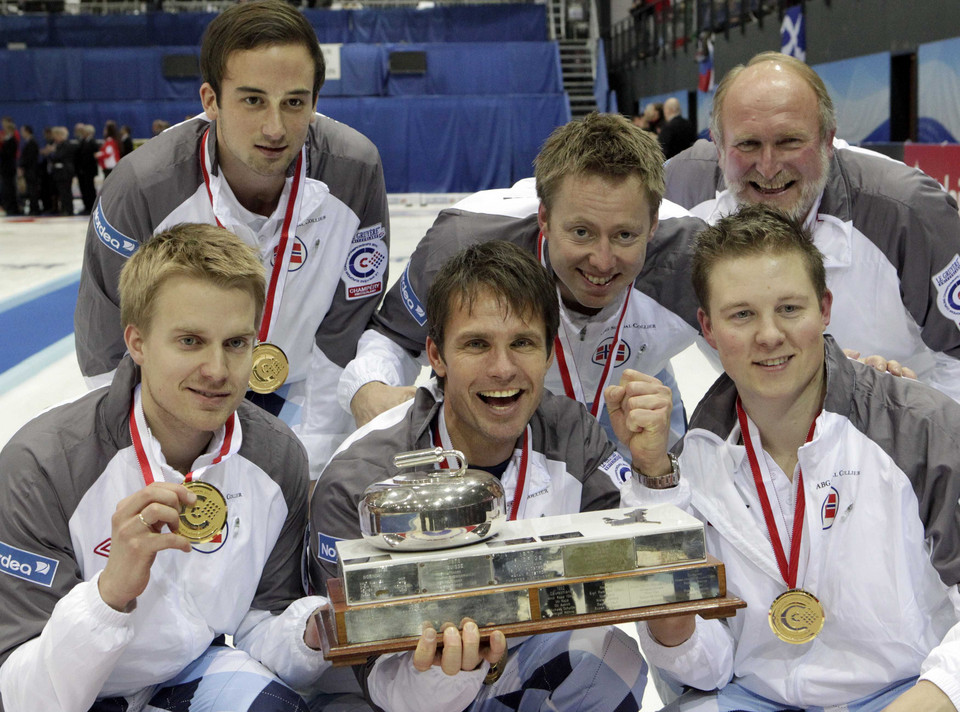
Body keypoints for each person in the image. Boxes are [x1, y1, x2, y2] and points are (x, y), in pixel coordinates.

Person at [631, 204, 960, 712]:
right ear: (708, 328)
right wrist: (672, 624)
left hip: (908, 691)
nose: (769, 335)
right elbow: (708, 666)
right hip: (754, 698)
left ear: (824, 308)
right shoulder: (695, 459)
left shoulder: (922, 429)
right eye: (742, 314)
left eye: (790, 309)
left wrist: (934, 696)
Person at [309, 240, 662, 712]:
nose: (502, 369)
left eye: (522, 342)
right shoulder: (360, 479)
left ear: (549, 352)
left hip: (509, 668)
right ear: (435, 355)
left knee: (606, 660)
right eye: (477, 344)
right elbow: (361, 669)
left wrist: (652, 469)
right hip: (389, 692)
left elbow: (640, 571)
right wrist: (446, 673)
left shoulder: (572, 435)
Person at [0, 223, 331, 711]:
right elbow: (22, 698)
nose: (218, 370)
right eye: (191, 341)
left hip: (186, 672)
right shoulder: (44, 465)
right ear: (136, 343)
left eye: (236, 343)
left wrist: (314, 633)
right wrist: (108, 596)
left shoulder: (276, 456)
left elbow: (261, 620)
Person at [74, 0, 389, 475]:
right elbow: (107, 345)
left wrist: (312, 466)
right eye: (252, 99)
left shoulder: (355, 171)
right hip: (180, 404)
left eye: (294, 102)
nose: (275, 128)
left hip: (308, 394)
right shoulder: (141, 188)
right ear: (210, 100)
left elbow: (346, 324)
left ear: (315, 102)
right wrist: (142, 462)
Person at [339, 111, 705, 453]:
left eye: (625, 235)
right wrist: (370, 386)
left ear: (653, 224)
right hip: (506, 411)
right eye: (581, 232)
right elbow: (394, 339)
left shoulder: (696, 257)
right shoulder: (461, 245)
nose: (602, 261)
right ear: (543, 217)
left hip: (635, 404)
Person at [663, 50, 960, 402]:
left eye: (789, 141)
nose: (769, 167)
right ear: (718, 144)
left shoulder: (910, 214)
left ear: (828, 140)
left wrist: (892, 420)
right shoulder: (678, 192)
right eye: (748, 144)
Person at [74, 122, 99, 215]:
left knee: (90, 189)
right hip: (83, 170)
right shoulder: (83, 141)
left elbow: (92, 157)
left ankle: (91, 207)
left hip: (89, 170)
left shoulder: (92, 142)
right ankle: (86, 206)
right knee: (84, 188)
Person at [17, 124, 41, 216]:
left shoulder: (32, 142)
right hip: (29, 170)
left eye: (22, 131)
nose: (21, 133)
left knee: (33, 190)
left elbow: (29, 158)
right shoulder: (28, 142)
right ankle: (33, 208)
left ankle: (35, 209)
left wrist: (22, 166)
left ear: (27, 131)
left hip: (32, 171)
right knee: (30, 190)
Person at [0, 117, 20, 216]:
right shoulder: (6, 138)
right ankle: (8, 206)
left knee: (10, 188)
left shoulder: (12, 138)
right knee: (6, 188)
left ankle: (12, 207)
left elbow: (8, 153)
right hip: (6, 167)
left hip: (9, 166)